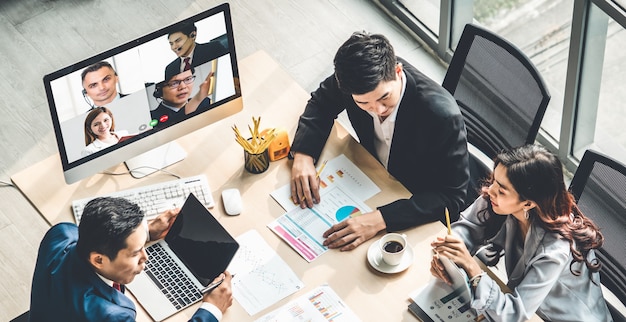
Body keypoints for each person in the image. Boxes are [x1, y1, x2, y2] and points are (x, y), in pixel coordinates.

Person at [290, 31, 469, 251]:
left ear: (397, 71)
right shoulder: (355, 81)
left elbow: (452, 198)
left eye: (384, 97)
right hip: (370, 178)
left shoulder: (442, 116)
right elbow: (321, 103)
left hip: (409, 197)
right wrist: (303, 155)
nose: (378, 110)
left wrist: (381, 219)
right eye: (364, 103)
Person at [430, 144, 610, 321]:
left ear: (528, 203)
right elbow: (467, 229)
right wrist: (449, 256)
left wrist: (471, 267)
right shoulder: (499, 202)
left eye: (501, 190)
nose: (490, 190)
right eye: (494, 180)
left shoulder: (555, 250)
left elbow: (515, 314)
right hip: (530, 308)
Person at [29, 197, 233, 321]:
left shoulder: (61, 233)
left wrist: (146, 233)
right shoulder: (111, 316)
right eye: (136, 253)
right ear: (99, 260)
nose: (146, 257)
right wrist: (211, 309)